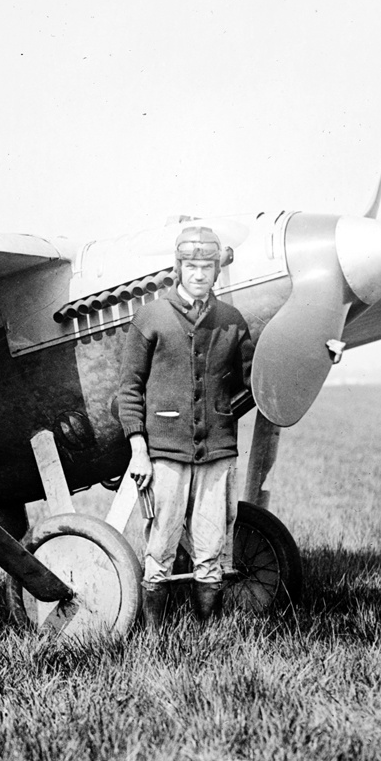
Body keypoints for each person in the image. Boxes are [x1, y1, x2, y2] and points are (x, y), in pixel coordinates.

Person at [116, 226, 254, 628]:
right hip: (165, 454)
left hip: (217, 454)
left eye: (206, 267)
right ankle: (156, 639)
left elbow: (256, 379)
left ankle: (205, 635)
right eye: (191, 266)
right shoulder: (152, 316)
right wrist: (139, 449)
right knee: (159, 548)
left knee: (211, 549)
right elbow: (129, 388)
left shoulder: (231, 320)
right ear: (178, 268)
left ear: (216, 271)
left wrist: (317, 355)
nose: (198, 274)